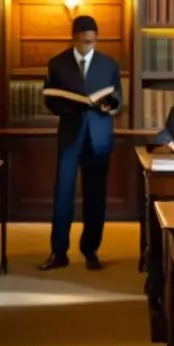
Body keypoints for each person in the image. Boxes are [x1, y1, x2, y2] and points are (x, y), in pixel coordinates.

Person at [39, 14, 122, 271]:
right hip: (70, 134)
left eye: (93, 41)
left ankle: (90, 250)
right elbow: (49, 98)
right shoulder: (57, 63)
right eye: (85, 41)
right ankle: (58, 251)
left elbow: (118, 96)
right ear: (74, 38)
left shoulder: (108, 64)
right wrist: (65, 104)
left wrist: (109, 104)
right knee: (62, 193)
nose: (89, 45)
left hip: (99, 135)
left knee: (95, 195)